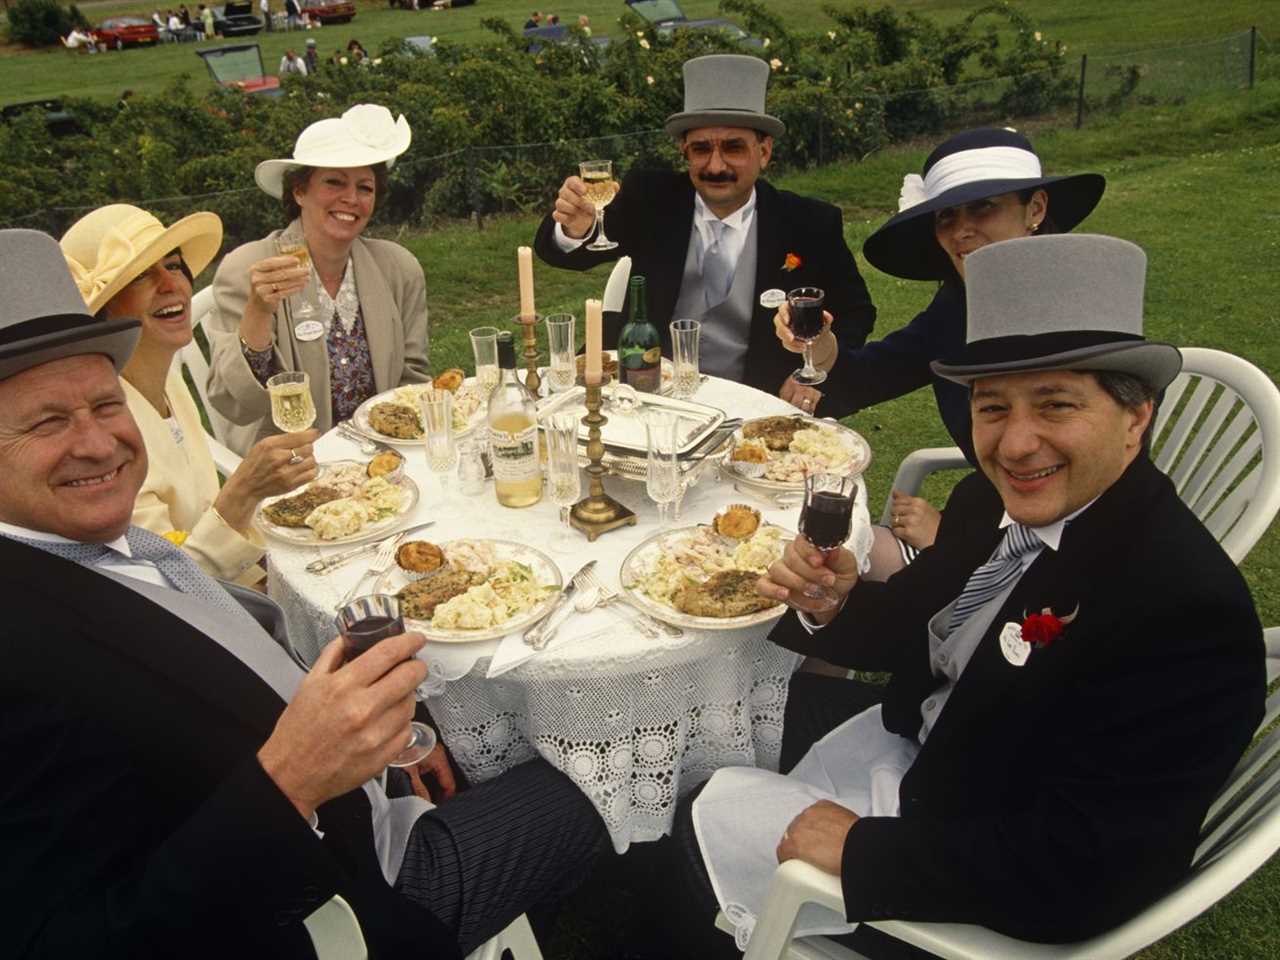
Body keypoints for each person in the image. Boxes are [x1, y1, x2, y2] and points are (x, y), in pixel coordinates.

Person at [0, 228, 608, 958]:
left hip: (373, 787)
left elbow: (218, 663)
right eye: (47, 422)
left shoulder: (99, 545)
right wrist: (290, 780)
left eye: (105, 405)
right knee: (604, 776)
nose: (98, 443)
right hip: (354, 895)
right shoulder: (23, 645)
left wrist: (380, 742)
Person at [674, 234, 1265, 957]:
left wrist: (865, 853)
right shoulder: (994, 503)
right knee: (693, 736)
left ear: (1135, 417)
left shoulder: (1184, 615)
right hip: (928, 747)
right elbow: (921, 624)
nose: (1016, 445)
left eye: (1054, 405)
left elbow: (1097, 867)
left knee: (679, 844)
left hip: (968, 871)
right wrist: (830, 602)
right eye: (992, 408)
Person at [780, 128, 1105, 571]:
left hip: (1058, 563)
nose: (962, 232)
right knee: (808, 559)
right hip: (986, 520)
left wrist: (950, 537)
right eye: (946, 217)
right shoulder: (959, 304)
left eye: (983, 208)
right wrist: (819, 342)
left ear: (1036, 208)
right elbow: (873, 374)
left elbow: (1083, 495)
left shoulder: (1083, 318)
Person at [534, 54, 875, 399]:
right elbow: (563, 255)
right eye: (701, 149)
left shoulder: (810, 223)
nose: (715, 165)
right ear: (685, 151)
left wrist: (812, 373)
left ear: (765, 151)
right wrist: (574, 228)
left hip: (755, 400)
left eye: (733, 147)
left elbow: (856, 312)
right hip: (647, 392)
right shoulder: (650, 197)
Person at [60, 204, 318, 586]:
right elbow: (170, 585)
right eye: (143, 276)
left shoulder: (166, 380)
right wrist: (244, 491)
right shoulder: (101, 440)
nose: (172, 285)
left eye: (175, 265)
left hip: (240, 575)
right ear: (103, 309)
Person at [207, 103, 430, 454]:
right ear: (298, 191)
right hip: (292, 464)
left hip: (386, 454)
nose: (351, 199)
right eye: (334, 182)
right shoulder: (246, 268)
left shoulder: (398, 268)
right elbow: (233, 402)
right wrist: (259, 311)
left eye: (365, 188)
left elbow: (413, 379)